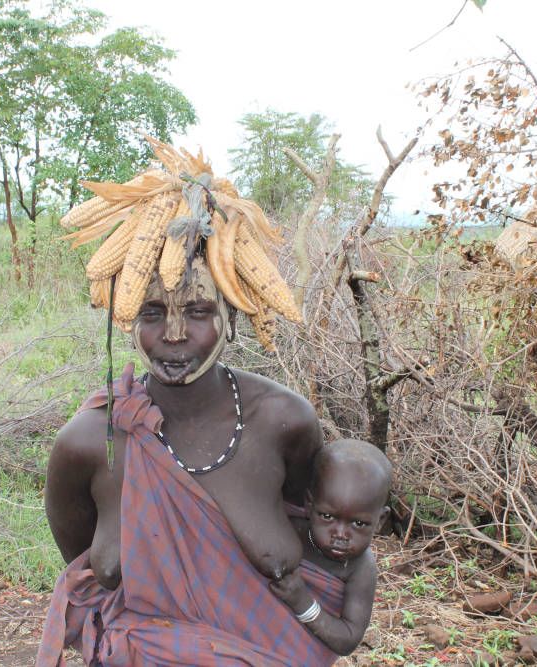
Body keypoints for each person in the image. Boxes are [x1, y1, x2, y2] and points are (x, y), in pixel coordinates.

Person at [37, 259, 344, 666]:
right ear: (128, 321)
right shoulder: (88, 444)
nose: (174, 333)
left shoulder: (283, 422)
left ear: (230, 317)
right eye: (152, 312)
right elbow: (86, 574)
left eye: (198, 311)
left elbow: (330, 551)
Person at [269, 439, 392, 656]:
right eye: (327, 516)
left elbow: (348, 640)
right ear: (309, 504)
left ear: (380, 520)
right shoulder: (285, 528)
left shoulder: (361, 568)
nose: (341, 534)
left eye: (359, 523)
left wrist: (303, 603)